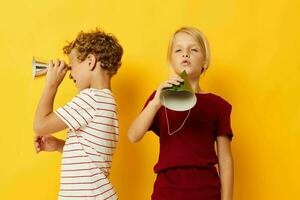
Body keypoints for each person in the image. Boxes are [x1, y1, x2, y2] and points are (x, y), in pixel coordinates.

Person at [128, 27, 234, 200]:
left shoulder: (218, 105)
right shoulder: (159, 98)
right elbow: (133, 135)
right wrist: (155, 102)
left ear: (205, 61)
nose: (185, 54)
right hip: (166, 192)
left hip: (206, 192)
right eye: (178, 50)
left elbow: (225, 158)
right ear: (171, 61)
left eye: (193, 49)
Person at [33, 28, 123, 200]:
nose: (69, 74)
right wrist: (59, 145)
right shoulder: (107, 101)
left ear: (90, 61)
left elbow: (40, 125)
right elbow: (91, 155)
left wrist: (51, 84)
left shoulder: (91, 98)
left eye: (72, 66)